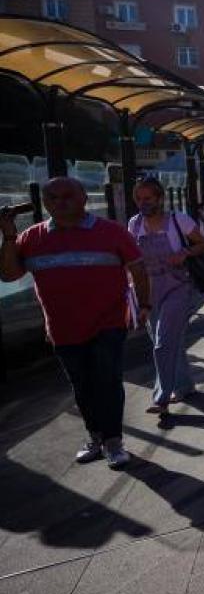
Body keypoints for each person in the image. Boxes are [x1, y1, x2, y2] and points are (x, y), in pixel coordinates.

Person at [1, 178, 151, 469]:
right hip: (62, 328)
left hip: (108, 323)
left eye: (68, 195)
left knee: (107, 382)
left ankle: (113, 442)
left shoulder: (112, 232)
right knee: (81, 386)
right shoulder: (31, 238)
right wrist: (8, 236)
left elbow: (139, 271)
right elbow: (8, 275)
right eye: (52, 197)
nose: (60, 202)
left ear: (83, 197)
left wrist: (145, 305)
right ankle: (95, 437)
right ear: (44, 203)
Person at [129, 179, 204, 416]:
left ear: (159, 199)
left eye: (148, 198)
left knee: (163, 341)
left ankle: (161, 397)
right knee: (170, 341)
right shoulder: (134, 225)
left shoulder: (179, 220)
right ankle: (185, 387)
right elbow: (132, 260)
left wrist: (184, 252)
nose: (143, 203)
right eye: (139, 199)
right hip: (147, 289)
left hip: (177, 286)